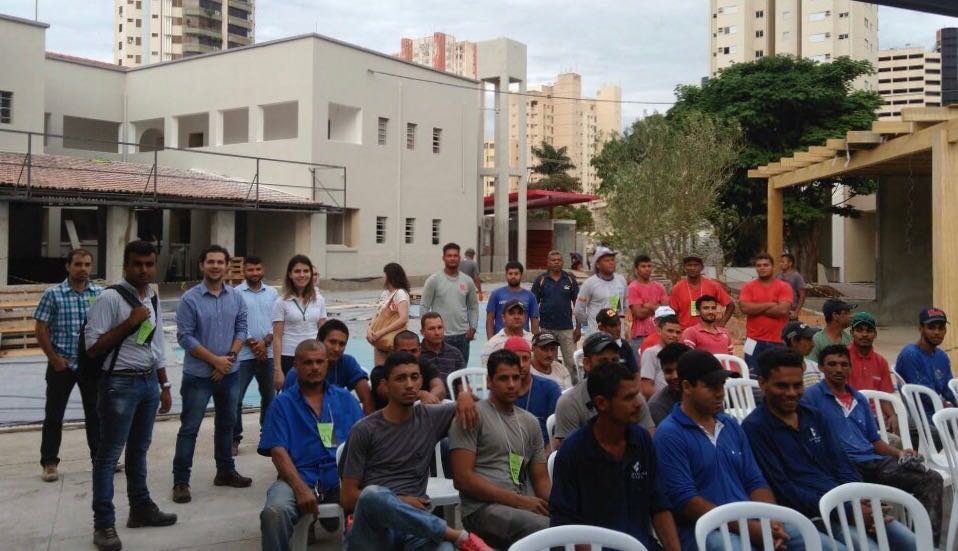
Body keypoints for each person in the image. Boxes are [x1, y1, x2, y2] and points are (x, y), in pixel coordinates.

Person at [743, 348, 916, 551]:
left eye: (797, 385)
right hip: (812, 514)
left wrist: (859, 497)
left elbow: (841, 464)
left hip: (846, 503)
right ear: (762, 384)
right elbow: (784, 488)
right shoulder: (755, 428)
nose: (791, 393)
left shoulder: (814, 416)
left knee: (914, 542)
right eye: (782, 386)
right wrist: (848, 510)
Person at [654, 350, 825, 551]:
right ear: (686, 387)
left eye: (721, 386)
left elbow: (755, 481)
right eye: (711, 387)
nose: (720, 393)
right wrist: (750, 529)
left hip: (751, 520)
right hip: (706, 530)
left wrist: (770, 519)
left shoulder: (730, 424)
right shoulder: (669, 434)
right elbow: (688, 502)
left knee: (821, 543)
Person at [340, 351, 491, 551]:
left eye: (415, 377)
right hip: (375, 530)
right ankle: (457, 535)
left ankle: (450, 537)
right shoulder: (365, 429)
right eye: (401, 378)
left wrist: (463, 395)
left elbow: (484, 407)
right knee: (371, 495)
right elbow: (348, 497)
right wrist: (399, 501)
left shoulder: (430, 418)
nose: (410, 385)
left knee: (445, 550)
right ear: (386, 385)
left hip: (415, 529)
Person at [85, 241, 176, 551]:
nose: (144, 269)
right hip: (119, 385)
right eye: (137, 264)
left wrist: (163, 385)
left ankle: (140, 508)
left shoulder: (151, 295)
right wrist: (129, 323)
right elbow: (93, 348)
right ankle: (104, 524)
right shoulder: (109, 298)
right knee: (108, 457)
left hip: (148, 383)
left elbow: (155, 344)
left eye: (149, 264)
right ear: (125, 265)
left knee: (139, 450)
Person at [803, 345, 944, 542]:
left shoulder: (858, 399)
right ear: (821, 367)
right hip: (842, 467)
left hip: (872, 462)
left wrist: (899, 453)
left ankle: (925, 543)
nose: (838, 369)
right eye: (832, 364)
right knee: (868, 507)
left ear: (849, 368)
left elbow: (874, 441)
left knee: (931, 479)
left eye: (844, 364)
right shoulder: (811, 397)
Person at [551, 361, 681, 551]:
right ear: (602, 403)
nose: (638, 404)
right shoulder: (574, 451)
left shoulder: (642, 440)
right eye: (628, 398)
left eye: (636, 395)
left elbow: (659, 505)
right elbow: (565, 525)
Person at [259, 340, 364, 551]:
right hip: (300, 477)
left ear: (327, 364)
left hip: (341, 478)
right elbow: (278, 452)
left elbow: (365, 442)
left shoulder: (344, 399)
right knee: (274, 513)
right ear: (296, 365)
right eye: (308, 362)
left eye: (319, 362)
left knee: (375, 502)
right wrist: (300, 489)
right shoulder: (282, 404)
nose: (314, 367)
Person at [449, 349, 551, 547]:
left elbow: (541, 480)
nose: (511, 384)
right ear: (489, 382)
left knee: (573, 521)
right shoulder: (471, 415)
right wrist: (519, 502)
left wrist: (564, 506)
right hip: (482, 509)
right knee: (549, 529)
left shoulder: (529, 422)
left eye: (516, 378)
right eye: (503, 378)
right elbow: (462, 480)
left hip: (523, 506)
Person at [173, 245, 251, 503]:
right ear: (202, 266)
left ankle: (226, 472)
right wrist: (215, 362)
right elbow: (184, 337)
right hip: (198, 377)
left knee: (227, 425)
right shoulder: (190, 299)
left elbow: (241, 329)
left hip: (230, 373)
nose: (216, 266)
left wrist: (227, 360)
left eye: (220, 262)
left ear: (227, 266)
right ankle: (181, 482)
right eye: (211, 262)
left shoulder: (236, 297)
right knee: (190, 428)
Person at [35, 248, 103, 482]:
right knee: (54, 415)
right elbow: (40, 329)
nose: (83, 269)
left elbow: (104, 326)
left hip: (90, 365)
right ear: (68, 266)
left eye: (87, 264)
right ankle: (49, 463)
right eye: (78, 264)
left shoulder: (99, 294)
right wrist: (54, 359)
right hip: (61, 366)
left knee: (95, 415)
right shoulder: (53, 295)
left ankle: (101, 460)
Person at [552, 333, 654, 449]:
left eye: (614, 360)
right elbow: (570, 456)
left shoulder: (634, 398)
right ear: (587, 364)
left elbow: (649, 439)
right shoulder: (570, 403)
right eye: (603, 361)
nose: (610, 366)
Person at [232, 255, 279, 456]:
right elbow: (235, 321)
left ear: (263, 269)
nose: (254, 273)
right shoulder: (235, 293)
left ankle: (266, 437)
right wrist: (252, 342)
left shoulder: (273, 293)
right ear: (244, 271)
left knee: (269, 397)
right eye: (250, 270)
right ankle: (234, 439)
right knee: (236, 398)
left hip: (268, 354)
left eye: (258, 269)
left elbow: (277, 321)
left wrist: (265, 342)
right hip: (244, 355)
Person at [283, 319, 375, 414]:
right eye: (332, 342)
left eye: (342, 344)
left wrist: (367, 427)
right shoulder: (296, 373)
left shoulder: (347, 362)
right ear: (319, 340)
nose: (336, 349)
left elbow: (367, 398)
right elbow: (288, 409)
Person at [272, 255, 328, 390]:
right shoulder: (281, 302)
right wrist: (278, 370)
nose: (302, 275)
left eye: (306, 271)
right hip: (289, 357)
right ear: (290, 274)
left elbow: (324, 333)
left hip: (314, 357)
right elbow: (277, 338)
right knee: (291, 399)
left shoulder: (319, 300)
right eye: (297, 271)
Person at [420, 242, 479, 363]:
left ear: (459, 257)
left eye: (455, 255)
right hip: (441, 336)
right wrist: (426, 330)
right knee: (441, 372)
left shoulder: (467, 281)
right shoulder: (434, 280)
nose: (452, 258)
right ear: (443, 258)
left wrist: (473, 327)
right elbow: (424, 306)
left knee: (461, 374)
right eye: (449, 255)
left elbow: (473, 306)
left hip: (463, 336)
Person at [531, 250, 581, 383]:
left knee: (571, 362)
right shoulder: (541, 280)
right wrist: (535, 330)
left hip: (566, 328)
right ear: (548, 262)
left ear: (562, 262)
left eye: (559, 260)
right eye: (553, 260)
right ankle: (552, 385)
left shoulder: (570, 279)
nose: (556, 262)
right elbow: (532, 306)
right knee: (548, 361)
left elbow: (579, 305)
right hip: (546, 328)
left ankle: (573, 387)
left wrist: (579, 327)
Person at [738, 253, 793, 376]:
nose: (762, 268)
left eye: (765, 265)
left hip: (778, 341)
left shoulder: (784, 287)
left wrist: (756, 307)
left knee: (778, 377)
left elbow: (783, 311)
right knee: (752, 377)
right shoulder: (748, 287)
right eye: (759, 265)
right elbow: (744, 308)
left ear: (773, 267)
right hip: (753, 340)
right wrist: (770, 304)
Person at [896, 307, 956, 417]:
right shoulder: (910, 355)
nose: (937, 332)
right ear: (920, 328)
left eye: (941, 328)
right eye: (931, 328)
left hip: (939, 413)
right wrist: (947, 407)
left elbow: (949, 390)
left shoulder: (941, 356)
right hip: (922, 419)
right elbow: (924, 394)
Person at [848, 311, 900, 436]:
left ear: (875, 334)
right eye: (860, 330)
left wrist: (892, 415)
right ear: (852, 333)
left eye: (869, 331)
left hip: (878, 417)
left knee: (904, 427)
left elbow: (884, 397)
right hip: (851, 415)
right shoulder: (843, 358)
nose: (864, 335)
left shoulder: (881, 361)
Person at [505, 337, 562, 445]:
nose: (521, 365)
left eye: (525, 359)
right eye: (515, 360)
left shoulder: (550, 389)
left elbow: (559, 435)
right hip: (511, 454)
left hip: (543, 452)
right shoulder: (500, 392)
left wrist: (541, 459)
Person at [369, 331, 446, 410]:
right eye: (403, 351)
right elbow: (389, 394)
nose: (408, 355)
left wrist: (430, 399)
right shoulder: (380, 372)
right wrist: (421, 395)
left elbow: (439, 387)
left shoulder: (426, 366)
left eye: (413, 351)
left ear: (420, 350)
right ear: (394, 351)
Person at [669, 255, 734, 331]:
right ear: (684, 268)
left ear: (702, 268)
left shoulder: (712, 285)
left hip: (708, 332)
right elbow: (673, 312)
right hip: (685, 331)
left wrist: (722, 323)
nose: (692, 268)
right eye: (689, 265)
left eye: (696, 265)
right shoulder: (677, 288)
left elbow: (731, 305)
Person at [574, 246, 628, 336]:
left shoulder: (621, 280)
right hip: (596, 335)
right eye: (607, 260)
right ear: (598, 264)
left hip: (617, 335)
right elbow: (579, 310)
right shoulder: (589, 283)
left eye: (612, 260)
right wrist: (589, 325)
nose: (611, 263)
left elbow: (622, 307)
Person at [367, 262, 412, 367]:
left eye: (385, 275)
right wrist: (370, 329)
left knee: (393, 370)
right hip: (380, 341)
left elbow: (403, 319)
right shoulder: (385, 294)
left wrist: (381, 332)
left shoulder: (400, 294)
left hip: (392, 339)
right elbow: (377, 314)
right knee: (379, 372)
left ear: (390, 276)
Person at [627, 254, 669, 359]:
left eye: (649, 266)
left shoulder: (659, 287)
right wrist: (657, 307)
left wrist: (649, 306)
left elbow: (666, 311)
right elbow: (639, 313)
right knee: (642, 369)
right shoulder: (633, 287)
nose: (647, 269)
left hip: (660, 334)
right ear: (636, 269)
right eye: (643, 266)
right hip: (640, 336)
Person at [486, 260, 539, 337]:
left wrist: (535, 343)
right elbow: (490, 320)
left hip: (523, 339)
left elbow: (534, 321)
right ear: (506, 275)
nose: (513, 276)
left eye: (516, 274)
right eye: (510, 274)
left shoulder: (530, 296)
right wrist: (490, 341)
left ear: (521, 275)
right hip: (501, 339)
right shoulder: (496, 294)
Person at [640, 312, 683, 399]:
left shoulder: (683, 352)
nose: (674, 335)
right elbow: (646, 388)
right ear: (659, 331)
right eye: (670, 331)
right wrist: (660, 403)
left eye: (678, 332)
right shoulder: (651, 352)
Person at [647, 343, 691, 425]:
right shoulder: (658, 406)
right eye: (668, 371)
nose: (675, 376)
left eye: (679, 369)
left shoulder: (708, 395)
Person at [481, 299, 533, 365]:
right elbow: (487, 373)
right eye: (511, 313)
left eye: (520, 313)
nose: (516, 317)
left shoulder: (533, 341)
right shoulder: (492, 345)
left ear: (525, 317)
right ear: (503, 317)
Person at [420, 312, 466, 384]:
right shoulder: (417, 353)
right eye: (431, 329)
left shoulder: (455, 353)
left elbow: (463, 384)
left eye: (440, 327)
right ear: (422, 332)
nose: (437, 332)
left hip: (452, 395)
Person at [595, 308, 640, 375]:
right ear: (601, 328)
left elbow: (636, 374)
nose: (618, 329)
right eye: (613, 326)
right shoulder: (594, 348)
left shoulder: (624, 345)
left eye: (619, 324)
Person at [781, 321, 824, 388]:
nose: (813, 344)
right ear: (794, 341)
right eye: (809, 339)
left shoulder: (816, 367)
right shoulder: (778, 371)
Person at [777, 253, 807, 320]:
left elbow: (802, 295)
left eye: (783, 262)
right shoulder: (777, 276)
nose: (780, 264)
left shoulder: (797, 276)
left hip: (791, 312)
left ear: (790, 263)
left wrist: (796, 312)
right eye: (780, 262)